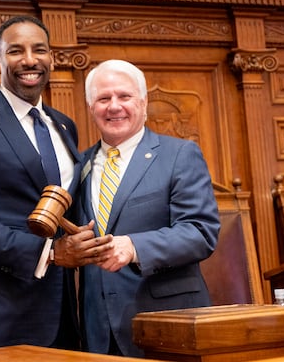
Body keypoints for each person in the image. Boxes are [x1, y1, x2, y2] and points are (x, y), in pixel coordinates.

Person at [0, 15, 110, 352]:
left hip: (59, 318)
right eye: (16, 51)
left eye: (39, 50)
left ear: (52, 59)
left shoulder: (64, 125)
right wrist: (52, 253)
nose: (30, 60)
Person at [76, 59, 221, 357]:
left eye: (124, 96)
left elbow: (200, 232)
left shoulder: (179, 155)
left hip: (166, 323)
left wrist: (134, 246)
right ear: (91, 108)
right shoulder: (78, 165)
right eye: (103, 99)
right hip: (98, 331)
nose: (114, 106)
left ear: (143, 102)